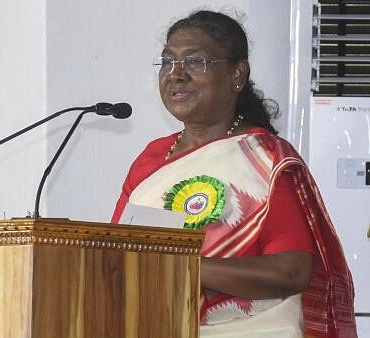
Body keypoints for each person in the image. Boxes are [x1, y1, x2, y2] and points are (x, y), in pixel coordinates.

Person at [111, 10, 357, 338]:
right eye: (168, 62)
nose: (176, 74)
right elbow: (113, 252)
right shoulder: (151, 158)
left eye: (195, 62)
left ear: (237, 75)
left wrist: (185, 267)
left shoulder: (266, 159)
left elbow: (292, 271)